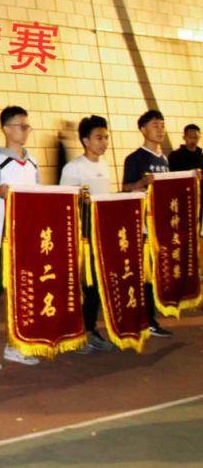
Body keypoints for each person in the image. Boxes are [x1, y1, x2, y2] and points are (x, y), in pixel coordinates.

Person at [0, 106, 42, 369]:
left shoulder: (33, 163)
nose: (24, 131)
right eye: (20, 126)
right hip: (0, 237)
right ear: (6, 129)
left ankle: (17, 344)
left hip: (26, 238)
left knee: (23, 291)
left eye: (27, 126)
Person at [59, 115, 119, 355]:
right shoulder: (74, 168)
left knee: (96, 286)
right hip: (81, 236)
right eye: (99, 138)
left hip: (101, 234)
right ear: (85, 140)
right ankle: (75, 334)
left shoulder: (104, 166)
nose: (104, 142)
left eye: (106, 138)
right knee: (81, 286)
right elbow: (65, 203)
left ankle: (90, 330)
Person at [121, 109, 173, 338]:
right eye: (155, 125)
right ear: (143, 130)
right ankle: (145, 319)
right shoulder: (135, 158)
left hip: (159, 225)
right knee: (143, 274)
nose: (160, 130)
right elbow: (125, 188)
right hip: (141, 225)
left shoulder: (164, 159)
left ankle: (147, 316)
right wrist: (142, 183)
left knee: (156, 273)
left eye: (162, 125)